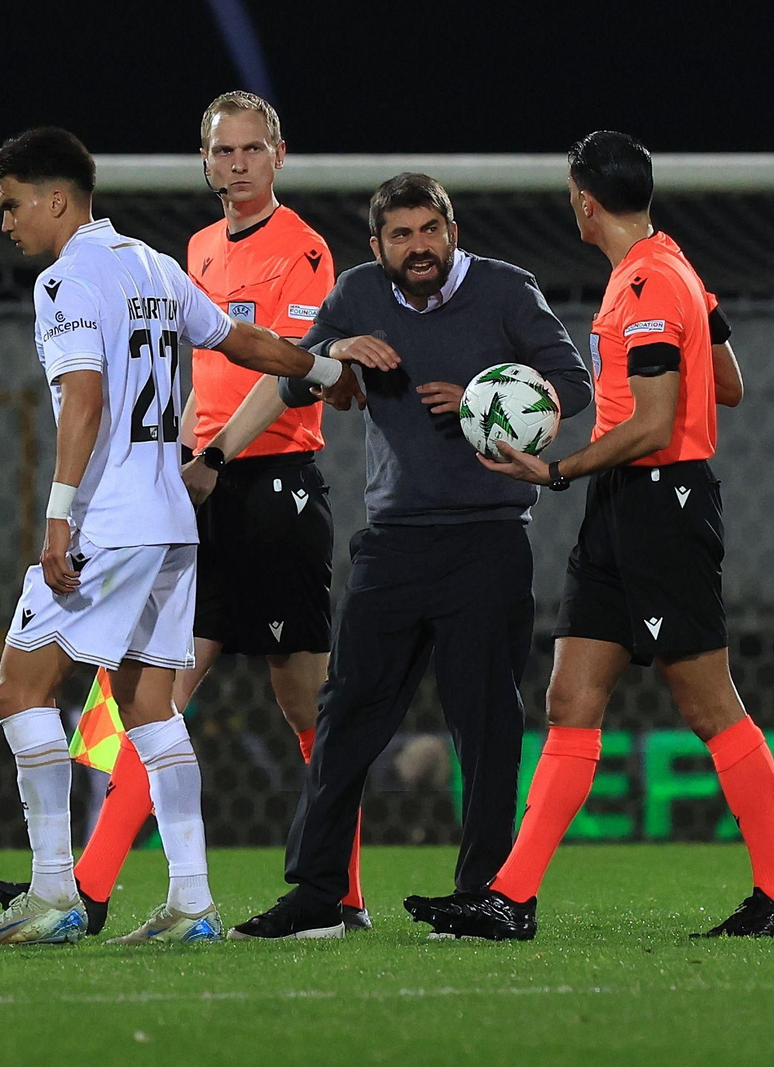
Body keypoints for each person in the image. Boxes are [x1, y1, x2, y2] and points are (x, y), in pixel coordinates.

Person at [0, 127, 391, 947]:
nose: (6, 223)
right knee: (149, 707)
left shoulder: (66, 281)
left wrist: (58, 515)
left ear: (55, 198)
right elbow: (237, 339)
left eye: (12, 206)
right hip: (171, 521)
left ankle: (53, 893)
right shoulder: (155, 265)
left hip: (112, 520)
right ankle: (192, 900)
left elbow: (85, 399)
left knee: (18, 691)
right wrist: (327, 370)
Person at [404, 130, 774, 941]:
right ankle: (510, 897)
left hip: (662, 504)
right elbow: (728, 382)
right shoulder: (664, 266)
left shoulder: (651, 282)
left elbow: (657, 425)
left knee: (709, 703)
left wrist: (557, 468)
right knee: (570, 695)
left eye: (572, 194)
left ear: (586, 202)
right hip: (623, 505)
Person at [230, 173, 593, 940]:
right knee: (345, 716)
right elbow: (296, 379)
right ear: (378, 245)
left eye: (431, 229)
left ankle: (486, 896)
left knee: (486, 728)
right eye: (402, 234)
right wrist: (332, 352)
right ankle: (320, 896)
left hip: (488, 538)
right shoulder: (357, 293)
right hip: (393, 542)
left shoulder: (506, 290)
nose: (419, 246)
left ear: (452, 231)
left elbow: (574, 384)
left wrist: (486, 398)